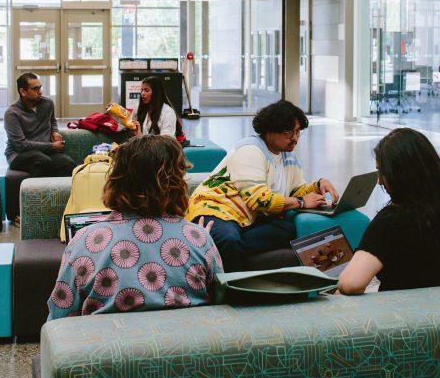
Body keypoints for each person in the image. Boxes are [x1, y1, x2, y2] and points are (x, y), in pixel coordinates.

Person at [47, 135, 222, 318]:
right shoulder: (199, 239)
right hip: (185, 336)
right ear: (176, 182)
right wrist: (198, 241)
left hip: (107, 336)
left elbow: (60, 317)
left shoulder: (84, 241)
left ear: (116, 178)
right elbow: (219, 308)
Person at [185, 100, 339, 272]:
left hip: (247, 219)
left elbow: (295, 190)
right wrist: (301, 202)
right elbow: (259, 200)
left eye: (297, 132)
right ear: (269, 130)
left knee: (287, 229)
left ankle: (217, 248)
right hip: (216, 208)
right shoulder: (250, 150)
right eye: (289, 132)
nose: (295, 138)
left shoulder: (288, 157)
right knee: (229, 239)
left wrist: (318, 185)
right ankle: (231, 286)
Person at [338, 128, 440, 294]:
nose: (380, 181)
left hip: (402, 310)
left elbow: (351, 283)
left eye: (382, 172)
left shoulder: (390, 221)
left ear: (400, 175)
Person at [4, 72, 75, 182]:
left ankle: (58, 193)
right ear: (23, 91)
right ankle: (34, 193)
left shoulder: (48, 103)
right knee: (43, 162)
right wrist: (52, 146)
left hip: (44, 151)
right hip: (19, 154)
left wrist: (55, 131)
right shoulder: (12, 113)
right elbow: (21, 145)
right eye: (35, 89)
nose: (40, 91)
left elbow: (52, 121)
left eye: (40, 87)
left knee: (68, 164)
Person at [130, 75, 184, 139]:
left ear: (156, 93)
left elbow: (165, 142)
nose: (142, 93)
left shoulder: (168, 113)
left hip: (162, 145)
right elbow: (128, 124)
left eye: (146, 90)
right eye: (141, 90)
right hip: (142, 144)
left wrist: (140, 137)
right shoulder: (138, 107)